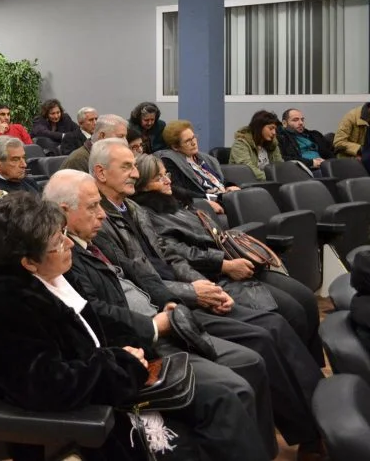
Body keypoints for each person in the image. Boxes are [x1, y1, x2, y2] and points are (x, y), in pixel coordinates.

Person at [91, 139, 325, 460]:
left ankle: (318, 422)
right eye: (127, 166)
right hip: (167, 308)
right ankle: (307, 433)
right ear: (101, 173)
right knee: (263, 337)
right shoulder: (102, 221)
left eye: (135, 166)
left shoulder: (131, 209)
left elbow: (168, 258)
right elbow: (140, 280)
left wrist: (202, 285)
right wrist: (195, 291)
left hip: (184, 292)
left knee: (276, 325)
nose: (134, 173)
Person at [43, 171, 275, 461]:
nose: (102, 214)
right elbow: (95, 315)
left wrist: (173, 302)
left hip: (162, 319)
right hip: (138, 346)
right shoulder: (61, 258)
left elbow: (141, 272)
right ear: (63, 211)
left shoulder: (93, 238)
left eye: (100, 204)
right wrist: (153, 326)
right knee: (234, 388)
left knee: (252, 359)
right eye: (92, 206)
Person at [130, 154, 324, 365]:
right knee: (290, 313)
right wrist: (224, 264)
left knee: (305, 299)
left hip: (233, 262)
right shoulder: (149, 214)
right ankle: (301, 372)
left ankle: (314, 366)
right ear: (143, 186)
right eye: (158, 178)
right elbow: (177, 253)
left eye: (165, 174)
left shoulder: (178, 201)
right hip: (215, 274)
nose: (167, 180)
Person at [157, 120, 238, 215]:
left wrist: (229, 186)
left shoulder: (204, 158)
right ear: (175, 147)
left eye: (193, 137)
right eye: (188, 141)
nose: (194, 143)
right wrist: (204, 201)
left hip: (223, 196)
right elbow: (178, 191)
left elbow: (218, 179)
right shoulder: (170, 161)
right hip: (206, 201)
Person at [61, 114, 127, 172]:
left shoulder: (109, 156)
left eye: (125, 137)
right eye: (120, 136)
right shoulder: (78, 160)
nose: (125, 141)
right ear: (102, 136)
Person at [229, 111, 283, 181]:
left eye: (275, 129)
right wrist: (273, 178)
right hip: (246, 183)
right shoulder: (240, 144)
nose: (274, 132)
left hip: (270, 182)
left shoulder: (272, 144)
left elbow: (279, 166)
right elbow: (248, 169)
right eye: (271, 128)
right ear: (259, 127)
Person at [278, 108, 333, 174]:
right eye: (295, 120)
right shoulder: (281, 138)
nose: (301, 123)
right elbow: (283, 159)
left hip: (325, 166)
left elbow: (330, 153)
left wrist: (329, 163)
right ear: (284, 123)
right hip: (303, 171)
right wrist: (311, 163)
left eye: (302, 120)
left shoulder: (315, 135)